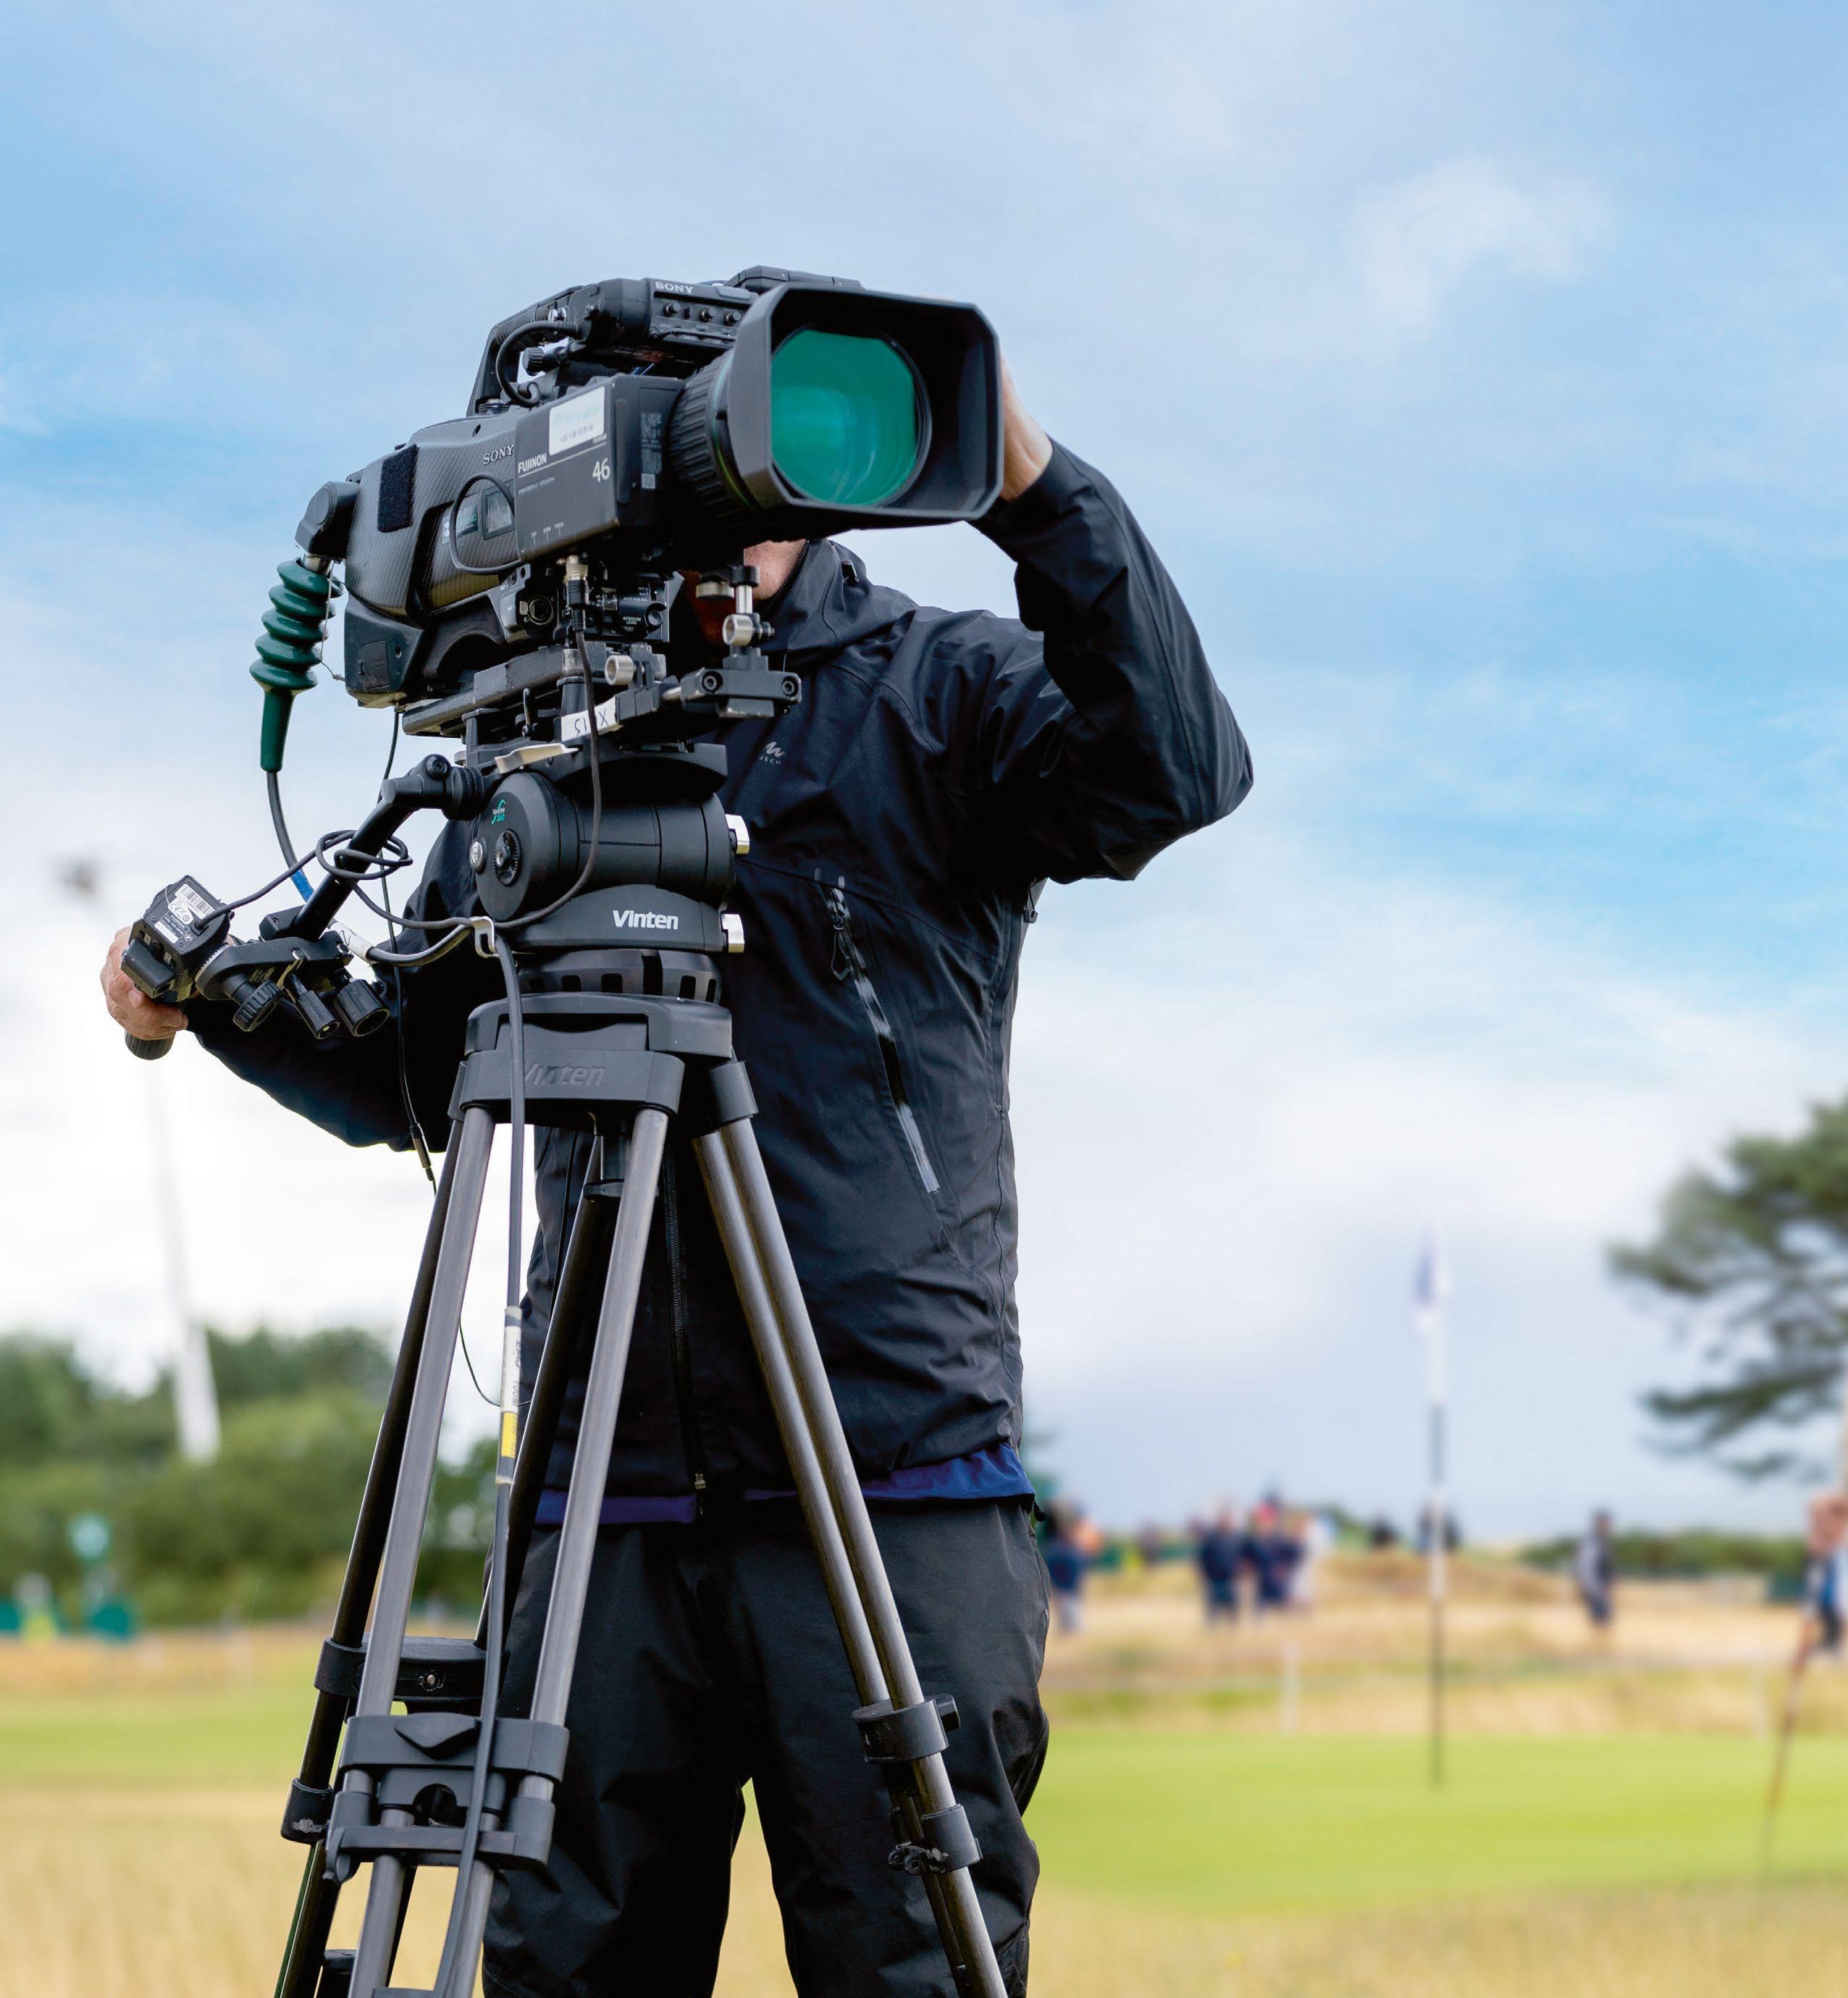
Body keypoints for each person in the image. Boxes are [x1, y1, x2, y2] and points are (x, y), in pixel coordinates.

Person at [101, 355, 1251, 1998]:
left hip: (891, 1480)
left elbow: (1174, 769)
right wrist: (214, 1007)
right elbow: (417, 1073)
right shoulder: (531, 751)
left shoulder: (929, 690)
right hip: (600, 1502)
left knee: (914, 1971)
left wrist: (1032, 485)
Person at [1196, 1507, 1243, 1624]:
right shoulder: (1211, 1538)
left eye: (1228, 1520)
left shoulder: (1236, 1538)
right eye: (1224, 1520)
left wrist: (1241, 1572)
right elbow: (1202, 1557)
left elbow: (1243, 1557)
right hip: (1214, 1580)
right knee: (1212, 1611)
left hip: (1231, 1580)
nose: (1226, 1522)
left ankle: (1232, 1629)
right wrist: (1203, 1573)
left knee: (1233, 1611)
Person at [1576, 1510, 1616, 1629]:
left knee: (1604, 1622)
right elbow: (1586, 1567)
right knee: (1600, 1623)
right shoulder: (1592, 1543)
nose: (1607, 1527)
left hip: (1601, 1590)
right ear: (1598, 1524)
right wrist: (1594, 1589)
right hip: (1596, 1590)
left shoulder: (1603, 1542)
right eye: (1605, 1524)